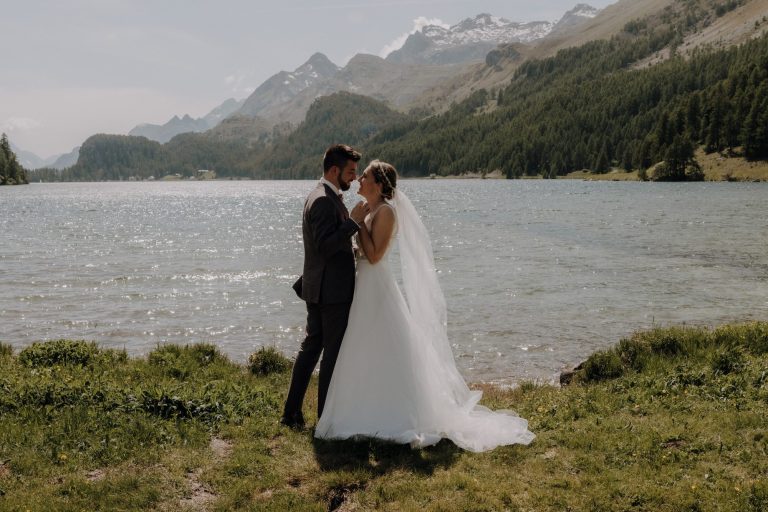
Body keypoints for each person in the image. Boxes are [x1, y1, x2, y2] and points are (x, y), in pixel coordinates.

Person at [315, 160, 535, 452]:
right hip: (365, 285)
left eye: (364, 176)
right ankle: (362, 407)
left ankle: (394, 414)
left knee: (384, 344)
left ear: (378, 185)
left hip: (377, 285)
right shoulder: (372, 210)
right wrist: (355, 232)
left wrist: (356, 225)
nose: (359, 181)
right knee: (365, 346)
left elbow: (376, 255)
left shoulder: (386, 212)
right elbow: (364, 252)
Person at [281, 144, 369, 429]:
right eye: (351, 171)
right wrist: (354, 222)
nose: (354, 178)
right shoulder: (322, 200)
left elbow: (330, 243)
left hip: (320, 286)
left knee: (312, 349)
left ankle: (292, 414)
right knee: (330, 353)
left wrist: (351, 249)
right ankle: (326, 420)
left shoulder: (326, 196)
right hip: (330, 291)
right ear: (334, 170)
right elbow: (325, 246)